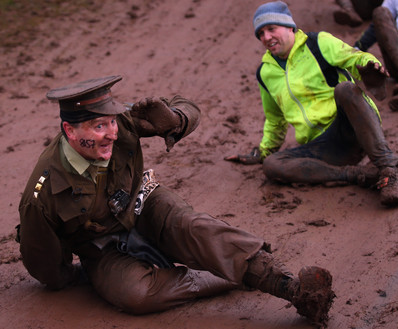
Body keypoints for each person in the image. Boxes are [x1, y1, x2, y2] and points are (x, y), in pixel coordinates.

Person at [17, 75, 335, 327]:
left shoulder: (121, 123)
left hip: (143, 203)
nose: (112, 133)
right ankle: (225, 276)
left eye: (111, 123)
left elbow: (186, 105)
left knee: (193, 228)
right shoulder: (42, 192)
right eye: (99, 126)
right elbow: (41, 259)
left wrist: (177, 119)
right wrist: (72, 277)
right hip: (101, 246)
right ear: (69, 131)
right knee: (137, 295)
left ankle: (291, 288)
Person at [225, 1, 398, 207]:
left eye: (271, 29)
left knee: (345, 89)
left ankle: (389, 174)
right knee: (272, 165)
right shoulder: (265, 72)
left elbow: (353, 57)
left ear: (289, 27)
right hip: (322, 147)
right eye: (260, 33)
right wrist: (262, 152)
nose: (266, 37)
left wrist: (368, 66)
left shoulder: (318, 42)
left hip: (353, 129)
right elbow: (275, 119)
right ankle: (358, 175)